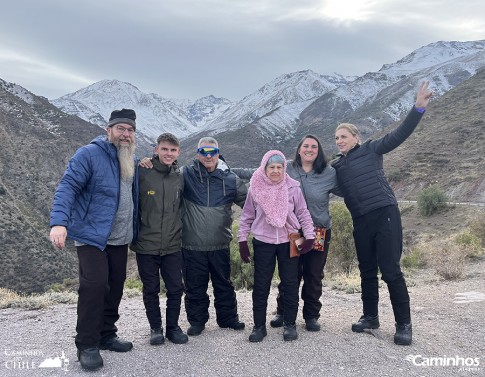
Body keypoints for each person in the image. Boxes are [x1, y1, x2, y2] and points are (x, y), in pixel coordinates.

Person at [332, 81, 433, 346]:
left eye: (343, 136)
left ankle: (404, 324)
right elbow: (315, 178)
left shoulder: (372, 149)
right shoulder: (336, 166)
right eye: (336, 138)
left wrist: (418, 109)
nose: (339, 141)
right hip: (360, 220)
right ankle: (370, 317)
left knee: (390, 270)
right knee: (366, 270)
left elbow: (400, 134)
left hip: (385, 213)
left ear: (356, 137)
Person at [49, 109, 139, 371]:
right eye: (120, 128)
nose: (125, 134)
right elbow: (68, 186)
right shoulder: (89, 154)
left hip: (120, 237)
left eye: (130, 130)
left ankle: (106, 334)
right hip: (92, 235)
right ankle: (87, 344)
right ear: (108, 129)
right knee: (95, 286)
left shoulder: (130, 158)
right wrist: (59, 222)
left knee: (116, 285)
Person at [238, 150, 315, 342]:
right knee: (261, 284)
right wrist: (242, 240)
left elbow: (303, 213)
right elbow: (247, 215)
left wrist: (310, 237)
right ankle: (259, 326)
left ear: (284, 168)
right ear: (264, 168)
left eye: (279, 167)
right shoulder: (255, 188)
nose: (275, 171)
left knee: (290, 283)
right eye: (271, 167)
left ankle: (289, 324)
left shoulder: (293, 187)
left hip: (291, 239)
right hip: (263, 241)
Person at [269, 135, 339, 332]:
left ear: (319, 151)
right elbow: (260, 173)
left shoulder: (329, 172)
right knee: (290, 273)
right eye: (305, 146)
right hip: (292, 231)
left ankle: (311, 315)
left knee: (314, 274)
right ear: (299, 149)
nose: (309, 149)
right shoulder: (287, 167)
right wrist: (227, 167)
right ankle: (283, 311)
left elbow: (348, 188)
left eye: (314, 147)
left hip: (319, 230)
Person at [182, 137, 247, 336]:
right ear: (197, 154)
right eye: (204, 152)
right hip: (192, 245)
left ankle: (228, 319)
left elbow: (250, 206)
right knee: (194, 286)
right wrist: (148, 162)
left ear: (218, 153)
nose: (208, 156)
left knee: (224, 284)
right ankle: (197, 322)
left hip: (220, 244)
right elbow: (164, 174)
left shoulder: (231, 179)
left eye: (212, 152)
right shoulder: (185, 175)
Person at [131, 133, 188, 346]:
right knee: (151, 288)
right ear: (156, 150)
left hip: (173, 244)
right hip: (146, 244)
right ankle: (156, 328)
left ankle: (173, 328)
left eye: (173, 150)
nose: (168, 153)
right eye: (164, 149)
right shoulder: (142, 172)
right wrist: (139, 160)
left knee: (175, 288)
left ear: (178, 153)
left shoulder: (180, 176)